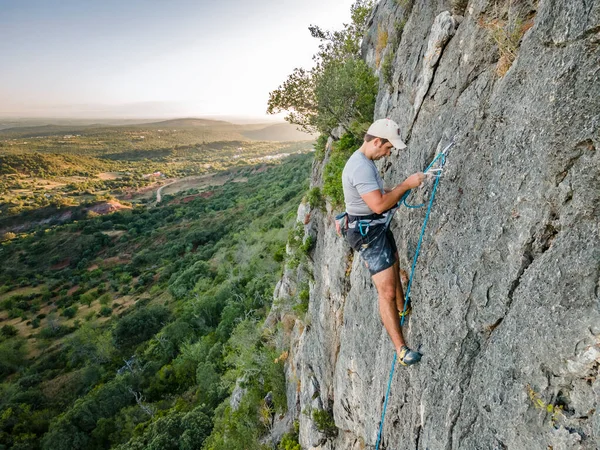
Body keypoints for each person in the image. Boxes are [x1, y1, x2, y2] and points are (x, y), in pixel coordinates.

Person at [341, 118, 425, 366]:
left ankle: (402, 307)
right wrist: (405, 186)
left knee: (394, 262)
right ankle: (401, 350)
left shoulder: (364, 161)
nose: (388, 153)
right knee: (386, 290)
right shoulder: (360, 167)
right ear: (376, 141)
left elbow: (375, 193)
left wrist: (392, 192)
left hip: (373, 225)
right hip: (367, 233)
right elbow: (377, 204)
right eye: (388, 148)